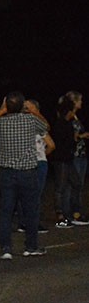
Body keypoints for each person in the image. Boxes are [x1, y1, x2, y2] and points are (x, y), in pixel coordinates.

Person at [0, 91, 49, 259]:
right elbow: (46, 126)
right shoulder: (31, 120)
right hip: (28, 171)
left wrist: (0, 111)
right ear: (22, 106)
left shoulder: (0, 123)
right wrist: (34, 111)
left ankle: (6, 248)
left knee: (6, 211)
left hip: (7, 173)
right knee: (30, 211)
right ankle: (31, 246)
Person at [16, 99, 53, 233]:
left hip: (33, 161)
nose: (26, 109)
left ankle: (25, 222)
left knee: (28, 194)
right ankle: (30, 223)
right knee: (31, 195)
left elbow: (50, 143)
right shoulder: (21, 123)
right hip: (31, 161)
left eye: (28, 107)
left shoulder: (36, 124)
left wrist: (41, 155)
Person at [50, 96, 78, 228]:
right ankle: (60, 215)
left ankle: (70, 211)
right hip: (61, 160)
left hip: (68, 159)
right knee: (60, 188)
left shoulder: (67, 123)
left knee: (76, 183)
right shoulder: (60, 124)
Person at [64, 91, 89, 225]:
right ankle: (74, 213)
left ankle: (75, 212)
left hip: (81, 154)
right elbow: (70, 136)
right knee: (74, 185)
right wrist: (82, 136)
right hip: (74, 155)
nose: (81, 103)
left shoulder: (74, 116)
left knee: (78, 185)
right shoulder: (69, 117)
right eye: (79, 100)